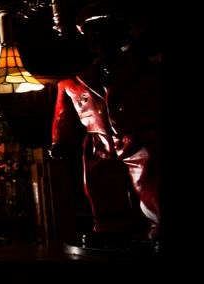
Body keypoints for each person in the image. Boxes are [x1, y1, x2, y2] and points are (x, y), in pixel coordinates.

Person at [49, 0, 161, 250]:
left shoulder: (151, 73)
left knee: (151, 184)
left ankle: (159, 227)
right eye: (93, 35)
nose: (100, 40)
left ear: (126, 36)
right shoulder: (72, 82)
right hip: (98, 142)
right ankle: (110, 229)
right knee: (101, 187)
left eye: (108, 33)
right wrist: (60, 142)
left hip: (142, 137)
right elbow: (64, 115)